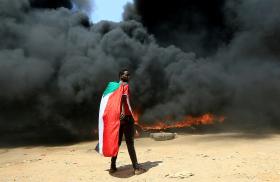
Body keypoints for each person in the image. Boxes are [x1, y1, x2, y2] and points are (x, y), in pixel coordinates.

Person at [96, 69, 146, 175]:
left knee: (116, 143)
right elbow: (123, 98)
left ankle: (112, 166)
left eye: (128, 75)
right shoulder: (125, 86)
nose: (128, 76)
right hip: (126, 118)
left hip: (117, 118)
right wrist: (123, 110)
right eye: (126, 75)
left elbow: (107, 99)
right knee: (130, 143)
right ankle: (136, 168)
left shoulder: (113, 87)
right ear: (120, 76)